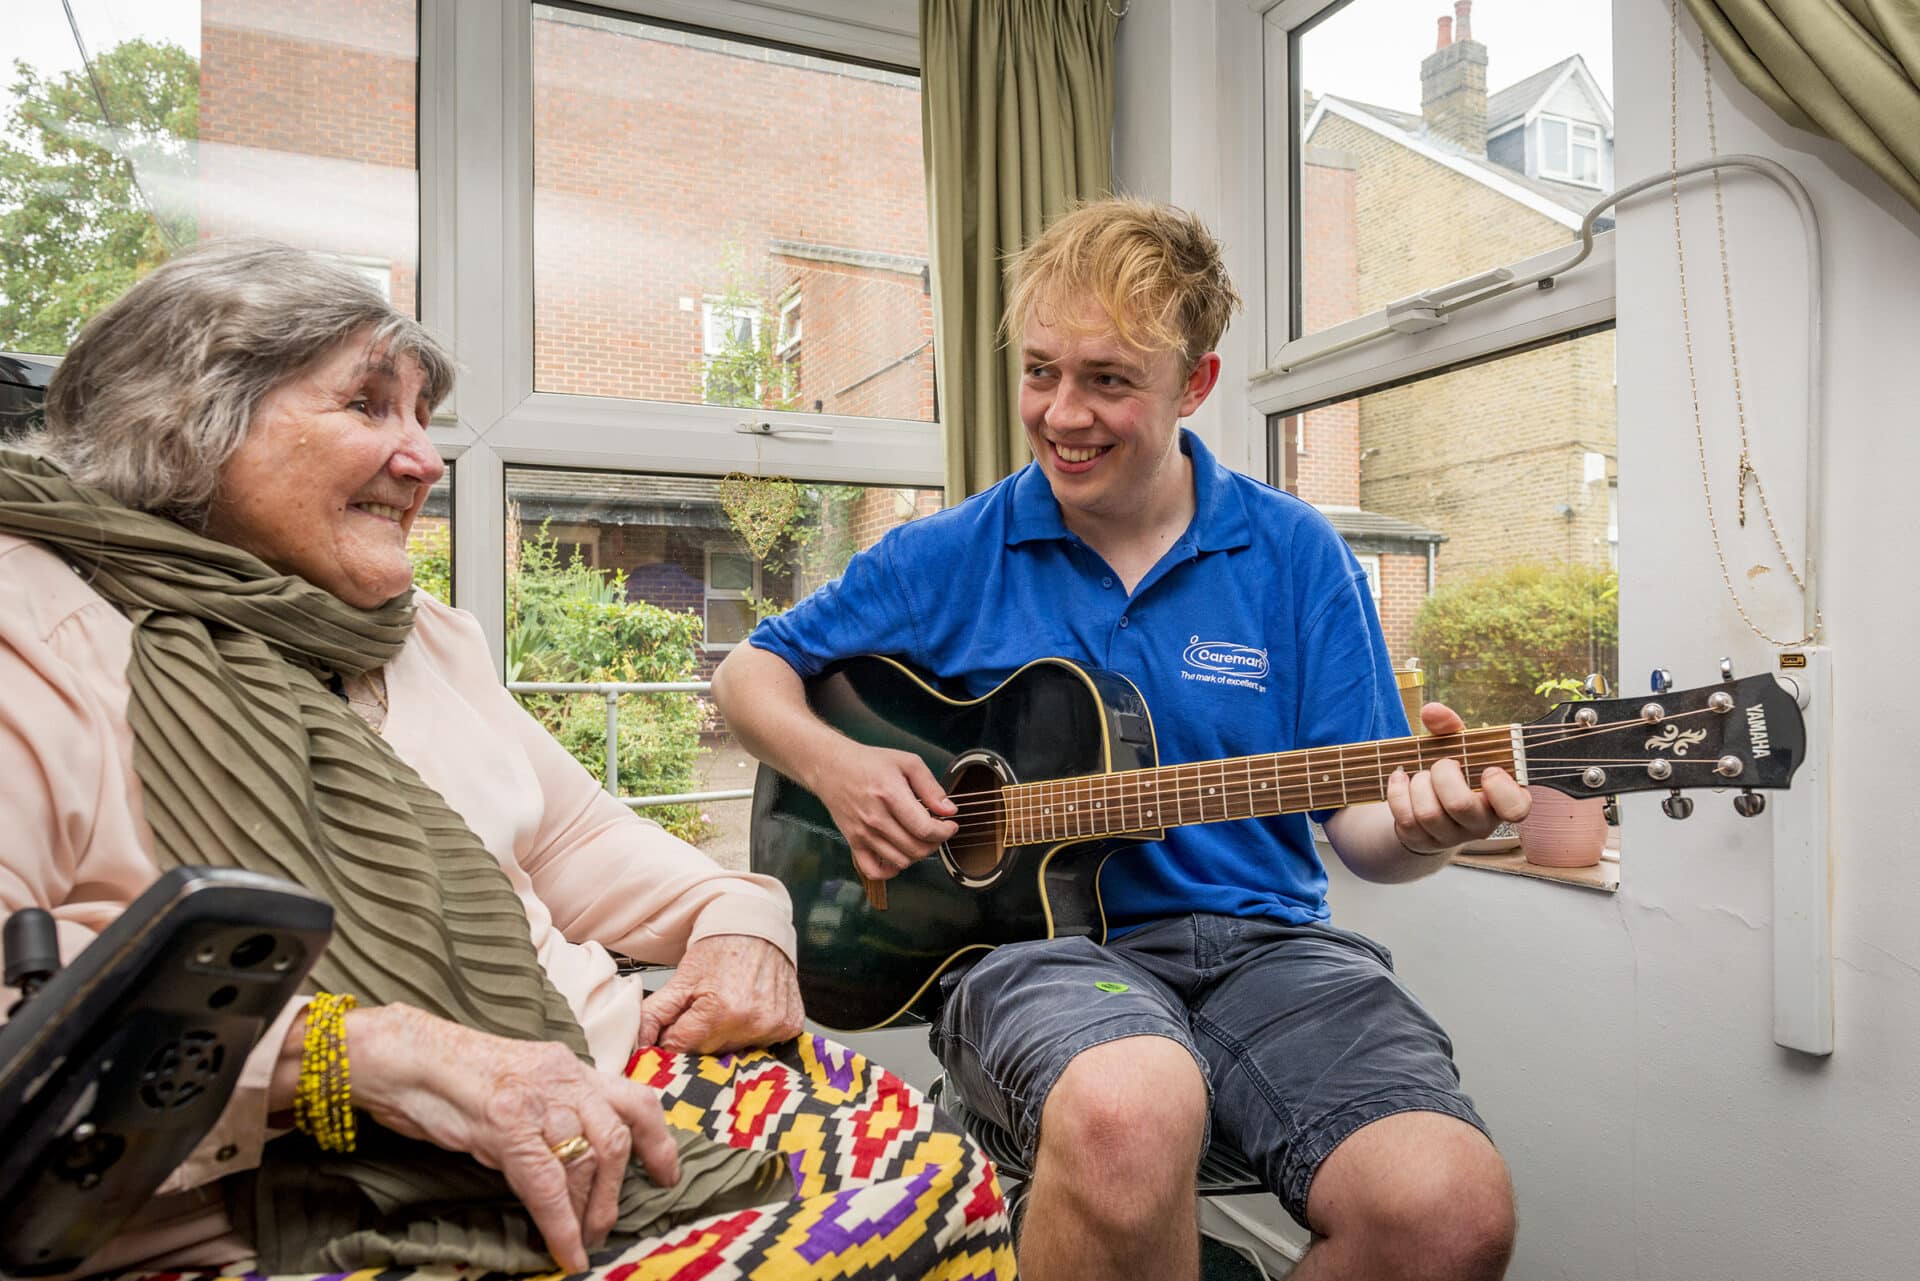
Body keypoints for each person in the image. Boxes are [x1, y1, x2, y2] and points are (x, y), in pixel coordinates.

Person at [0, 241, 1014, 1279]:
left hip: (594, 1067)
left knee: (940, 1167)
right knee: (903, 1224)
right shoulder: (30, 629)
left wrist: (740, 917)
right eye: (368, 406)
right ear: (186, 422)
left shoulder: (418, 635)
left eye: (422, 419)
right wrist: (376, 1055)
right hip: (273, 1191)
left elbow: (574, 835)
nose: (424, 461)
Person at [713, 197, 1528, 1281]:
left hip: (1270, 950)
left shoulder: (1295, 556)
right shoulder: (950, 553)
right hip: (1036, 956)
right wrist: (839, 766)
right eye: (1041, 370)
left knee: (1450, 1210)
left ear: (1195, 385)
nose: (1062, 413)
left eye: (1108, 380)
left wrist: (1430, 829)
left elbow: (1365, 830)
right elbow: (747, 672)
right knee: (1131, 1106)